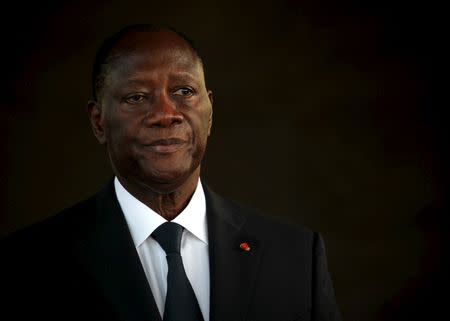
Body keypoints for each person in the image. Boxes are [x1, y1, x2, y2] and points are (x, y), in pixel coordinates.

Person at [1, 24, 342, 321]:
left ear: (209, 112)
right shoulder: (29, 265)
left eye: (184, 91)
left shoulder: (296, 256)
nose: (166, 113)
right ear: (98, 121)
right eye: (136, 97)